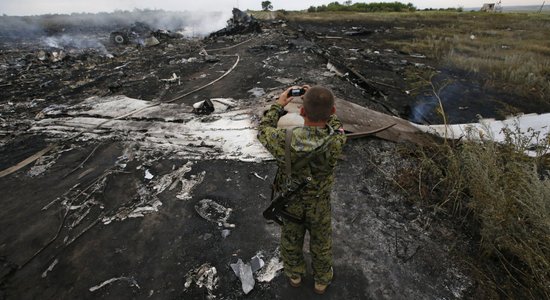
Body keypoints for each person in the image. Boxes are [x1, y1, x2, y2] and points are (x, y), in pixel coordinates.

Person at [257, 85, 346, 294]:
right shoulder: (337, 140)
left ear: (302, 111)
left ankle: (295, 275)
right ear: (332, 111)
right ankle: (322, 281)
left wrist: (279, 104)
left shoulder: (283, 139)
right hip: (320, 203)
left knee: (290, 239)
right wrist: (324, 106)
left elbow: (263, 129)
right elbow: (337, 125)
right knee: (322, 243)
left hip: (291, 203)